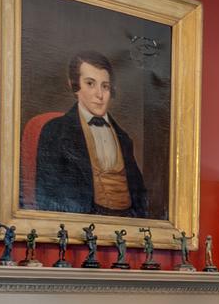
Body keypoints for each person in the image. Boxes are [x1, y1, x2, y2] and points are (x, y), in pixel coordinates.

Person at [32, 52, 147, 216]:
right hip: (83, 226)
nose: (99, 95)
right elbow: (48, 195)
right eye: (90, 84)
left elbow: (140, 194)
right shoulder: (55, 131)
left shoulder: (124, 138)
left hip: (127, 226)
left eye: (105, 86)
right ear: (74, 86)